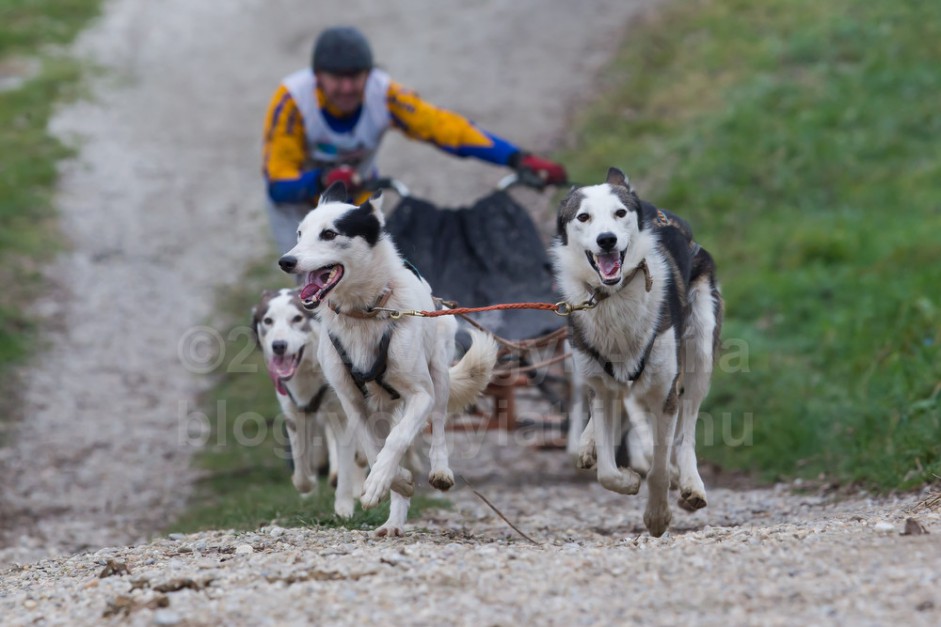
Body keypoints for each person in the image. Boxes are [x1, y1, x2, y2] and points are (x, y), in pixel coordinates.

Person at [262, 25, 568, 254]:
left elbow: (443, 128)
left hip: (355, 198)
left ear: (368, 73)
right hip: (298, 208)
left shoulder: (383, 93)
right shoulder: (293, 102)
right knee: (314, 289)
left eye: (355, 76)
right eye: (337, 78)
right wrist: (323, 180)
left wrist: (517, 158)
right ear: (317, 76)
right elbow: (278, 186)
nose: (347, 88)